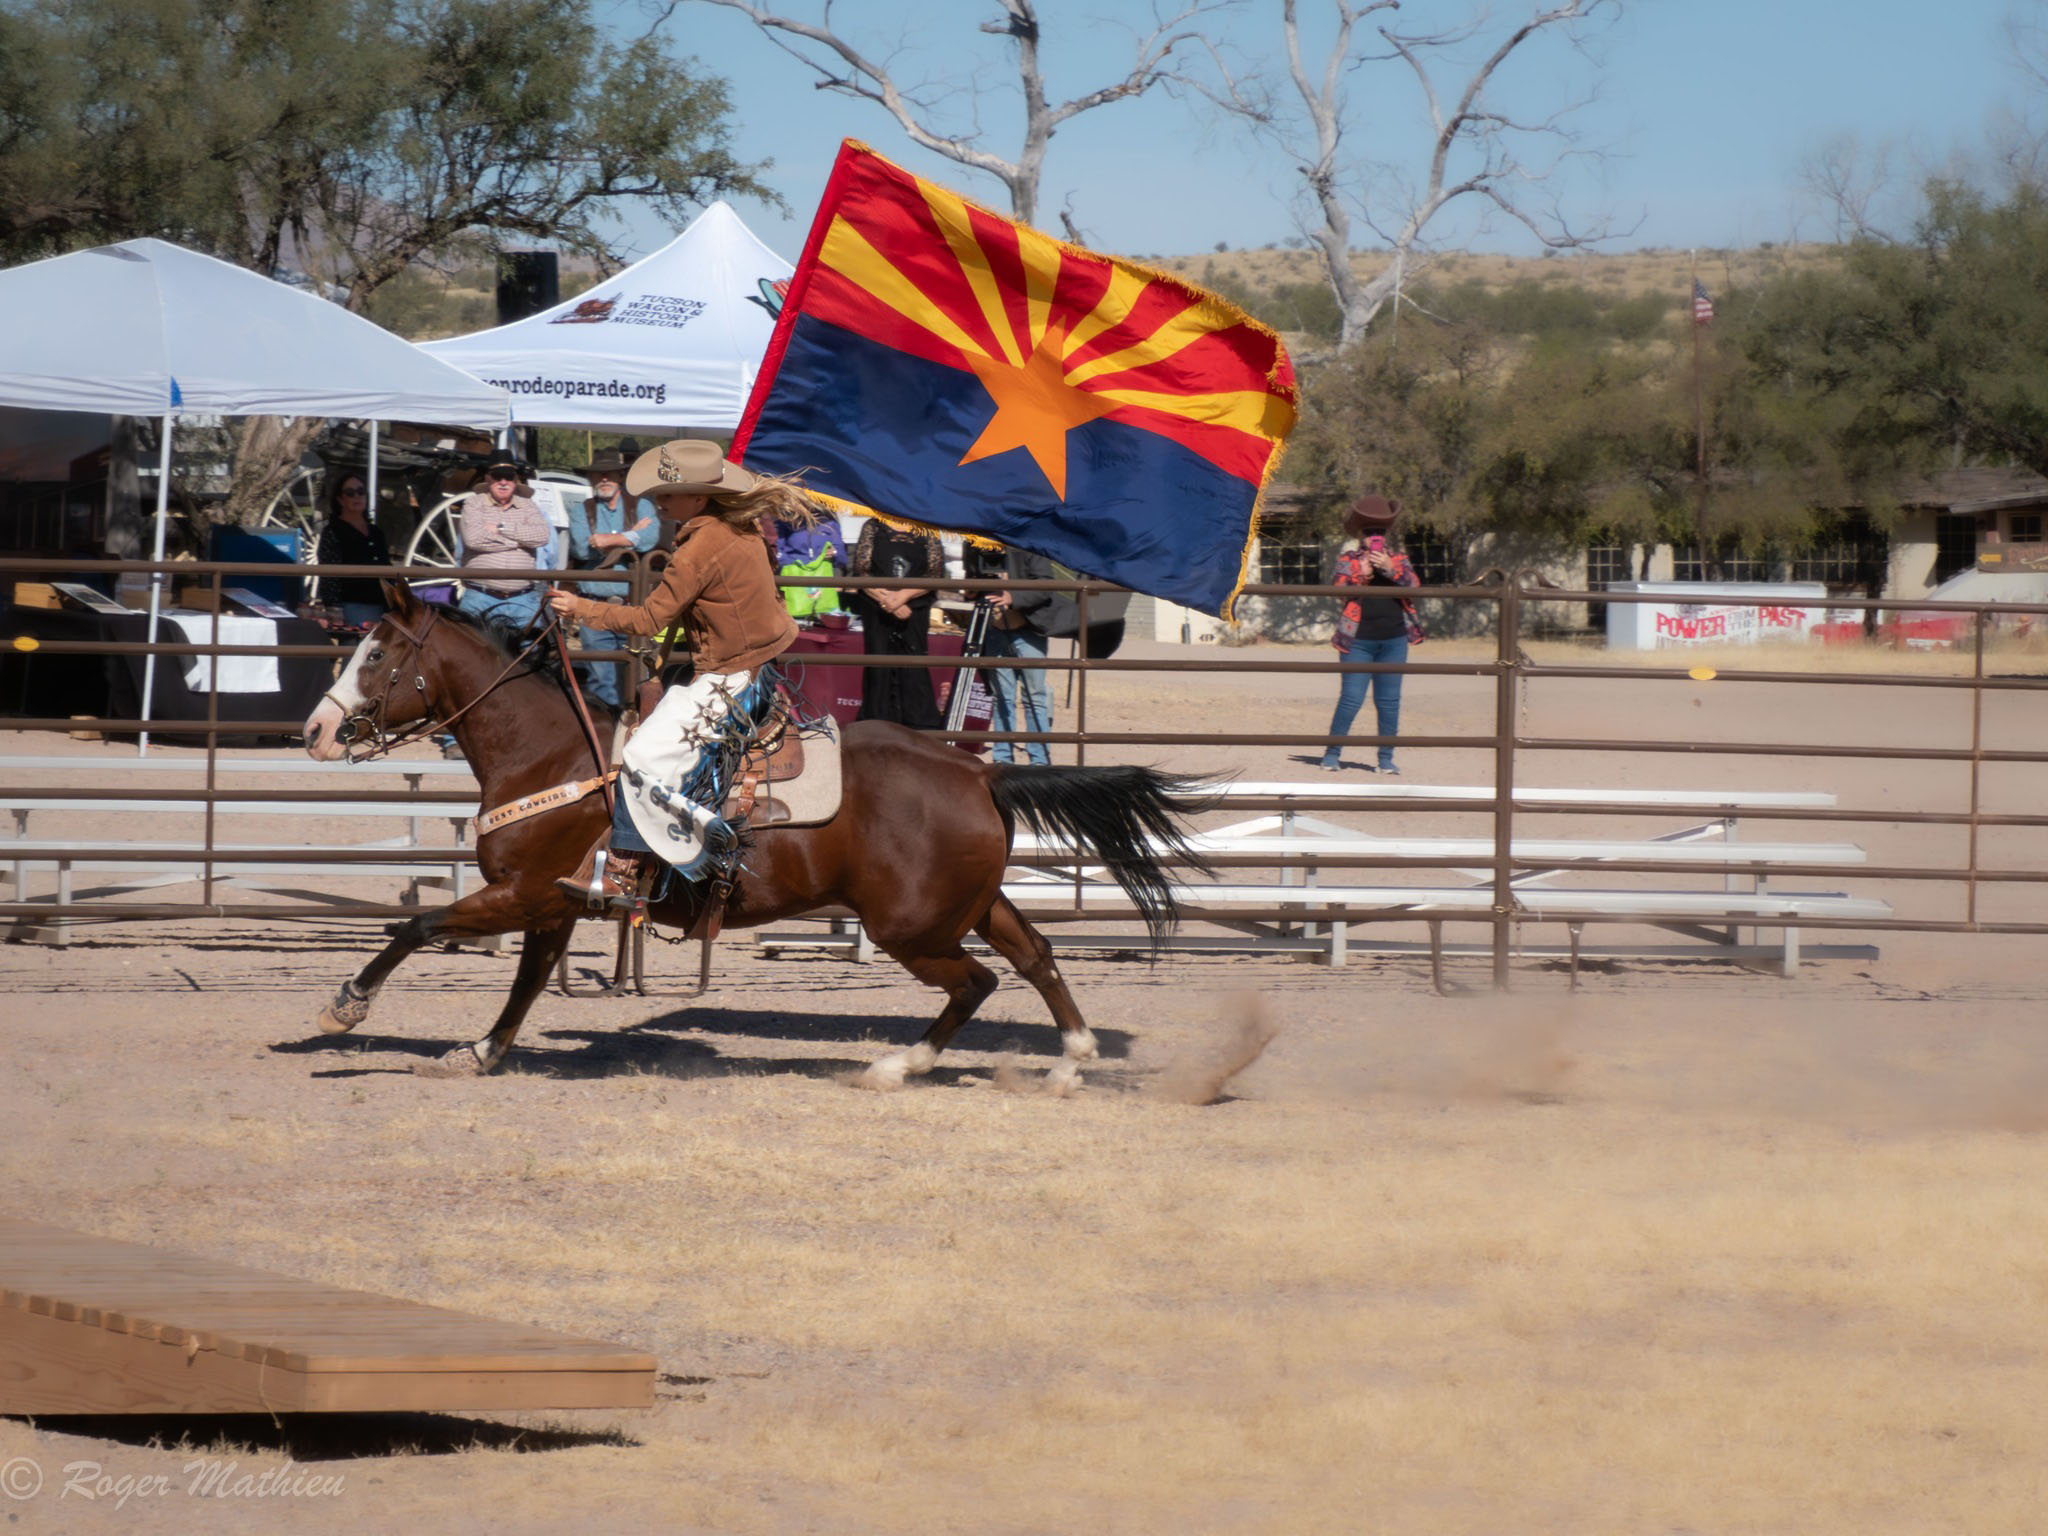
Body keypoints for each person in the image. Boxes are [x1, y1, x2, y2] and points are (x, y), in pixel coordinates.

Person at [546, 439, 816, 911]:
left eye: (668, 494)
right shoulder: (739, 527)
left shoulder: (699, 547)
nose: (658, 502)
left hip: (732, 677)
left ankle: (626, 869)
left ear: (698, 497)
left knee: (641, 755)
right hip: (754, 666)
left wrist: (579, 608)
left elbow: (648, 620)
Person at [1318, 494, 1424, 776]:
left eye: (1380, 532)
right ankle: (1332, 754)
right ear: (1359, 535)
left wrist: (1391, 571)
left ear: (1386, 534)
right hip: (1357, 641)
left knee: (1389, 702)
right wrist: (1362, 576)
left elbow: (1415, 588)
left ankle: (1386, 759)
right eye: (1369, 532)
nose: (1374, 536)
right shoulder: (1348, 560)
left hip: (1394, 640)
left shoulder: (1398, 559)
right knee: (1351, 698)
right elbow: (1338, 591)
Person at [565, 447, 659, 709]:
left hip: (633, 606)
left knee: (638, 676)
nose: (603, 478)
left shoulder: (642, 504)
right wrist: (631, 536)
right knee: (600, 679)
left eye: (609, 474)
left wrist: (605, 539)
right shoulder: (581, 509)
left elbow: (651, 538)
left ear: (620, 475)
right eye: (598, 474)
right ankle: (607, 736)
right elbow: (582, 547)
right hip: (594, 605)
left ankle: (631, 733)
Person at [849, 517, 945, 729]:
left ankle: (917, 728)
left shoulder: (928, 528)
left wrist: (903, 596)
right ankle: (876, 725)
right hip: (877, 608)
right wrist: (887, 600)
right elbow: (861, 570)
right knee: (878, 669)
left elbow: (935, 573)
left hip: (914, 609)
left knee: (914, 667)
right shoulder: (872, 526)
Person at [984, 544, 1076, 766]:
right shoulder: (984, 545)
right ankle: (1003, 760)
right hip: (996, 628)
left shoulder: (1030, 547)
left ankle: (1039, 761)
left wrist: (1011, 596)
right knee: (1002, 697)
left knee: (1034, 696)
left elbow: (1045, 585)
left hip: (1029, 629)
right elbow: (973, 581)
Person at [455, 458, 550, 632]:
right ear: (488, 479)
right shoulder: (474, 503)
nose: (503, 482)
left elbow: (542, 536)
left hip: (523, 598)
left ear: (515, 481)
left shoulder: (528, 506)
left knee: (530, 654)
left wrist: (501, 528)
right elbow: (473, 539)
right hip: (480, 596)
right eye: (497, 477)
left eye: (508, 477)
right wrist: (517, 542)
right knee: (473, 655)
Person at [313, 471, 392, 628]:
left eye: (361, 492)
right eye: (350, 493)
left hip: (383, 606)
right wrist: (335, 613)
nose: (357, 496)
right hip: (352, 606)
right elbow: (329, 577)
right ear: (340, 500)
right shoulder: (333, 532)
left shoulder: (376, 532)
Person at [772, 513, 850, 619]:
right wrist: (792, 564)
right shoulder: (785, 521)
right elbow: (777, 552)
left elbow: (841, 556)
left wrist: (834, 552)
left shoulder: (830, 523)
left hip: (823, 583)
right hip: (795, 582)